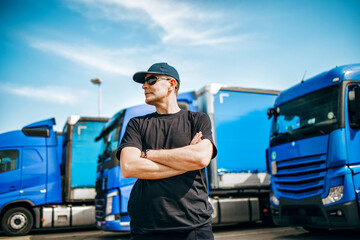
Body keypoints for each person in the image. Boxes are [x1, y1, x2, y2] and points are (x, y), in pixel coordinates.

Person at [116, 62, 217, 240]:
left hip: (193, 228)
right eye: (144, 83)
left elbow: (201, 158)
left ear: (171, 84)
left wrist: (147, 153)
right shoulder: (136, 124)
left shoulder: (198, 120)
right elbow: (129, 167)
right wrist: (186, 162)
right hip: (146, 229)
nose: (144, 86)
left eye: (151, 80)